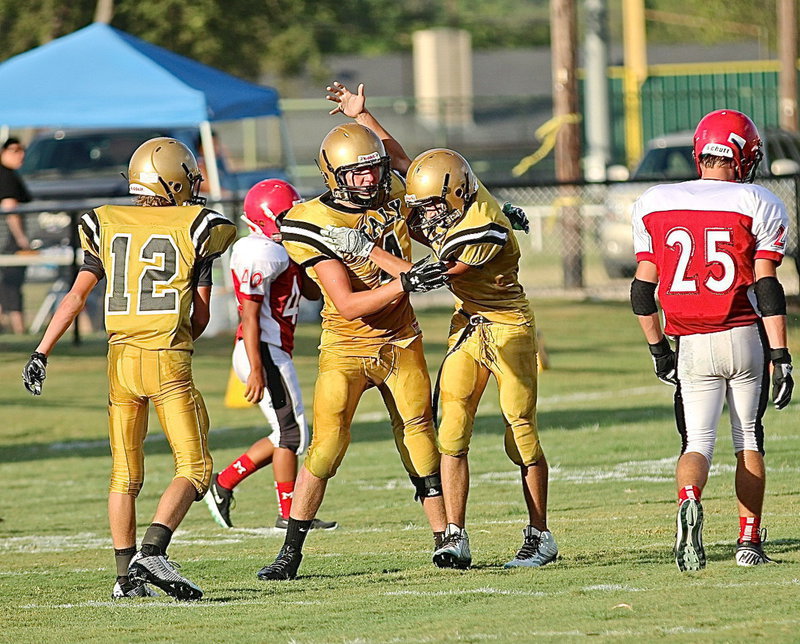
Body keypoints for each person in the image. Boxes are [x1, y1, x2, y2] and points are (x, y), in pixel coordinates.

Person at [319, 82, 557, 570]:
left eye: (432, 206)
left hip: (508, 325)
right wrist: (364, 117)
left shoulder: (483, 226)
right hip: (468, 323)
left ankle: (540, 535)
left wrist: (365, 250)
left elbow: (430, 275)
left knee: (521, 431)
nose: (424, 214)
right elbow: (406, 162)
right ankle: (454, 534)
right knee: (452, 429)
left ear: (459, 195)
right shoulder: (450, 187)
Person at [22, 137, 236, 599]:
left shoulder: (107, 222)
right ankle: (154, 551)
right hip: (166, 359)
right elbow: (199, 316)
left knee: (124, 474)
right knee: (196, 467)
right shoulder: (198, 225)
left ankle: (124, 580)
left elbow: (76, 295)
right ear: (176, 180)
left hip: (119, 362)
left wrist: (42, 351)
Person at [255, 119, 450, 581]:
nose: (369, 180)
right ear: (333, 176)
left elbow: (411, 166)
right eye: (357, 173)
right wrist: (407, 279)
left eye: (373, 170)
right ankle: (291, 551)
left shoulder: (395, 196)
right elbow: (346, 302)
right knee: (326, 446)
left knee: (420, 434)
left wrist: (365, 118)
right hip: (347, 345)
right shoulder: (310, 220)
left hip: (401, 339)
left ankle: (446, 537)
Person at [630, 109, 794, 571]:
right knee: (748, 439)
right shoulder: (758, 200)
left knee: (697, 441)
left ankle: (688, 498)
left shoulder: (654, 200)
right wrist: (781, 353)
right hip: (743, 333)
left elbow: (643, 290)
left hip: (690, 342)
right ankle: (748, 541)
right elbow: (767, 287)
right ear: (741, 156)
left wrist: (658, 349)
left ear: (700, 151)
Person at [204, 179, 336, 532]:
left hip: (273, 348)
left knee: (289, 434)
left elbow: (309, 292)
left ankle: (231, 486)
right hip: (262, 348)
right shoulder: (257, 251)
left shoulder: (281, 246)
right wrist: (258, 368)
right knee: (292, 435)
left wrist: (310, 251)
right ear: (266, 219)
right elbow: (248, 315)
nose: (294, 218)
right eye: (287, 214)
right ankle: (256, 497)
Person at [0, 138, 33, 334]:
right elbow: (10, 208)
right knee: (11, 284)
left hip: (6, 241)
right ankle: (19, 330)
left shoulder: (10, 174)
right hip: (8, 242)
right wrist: (22, 240)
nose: (20, 154)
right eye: (14, 150)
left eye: (22, 150)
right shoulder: (6, 177)